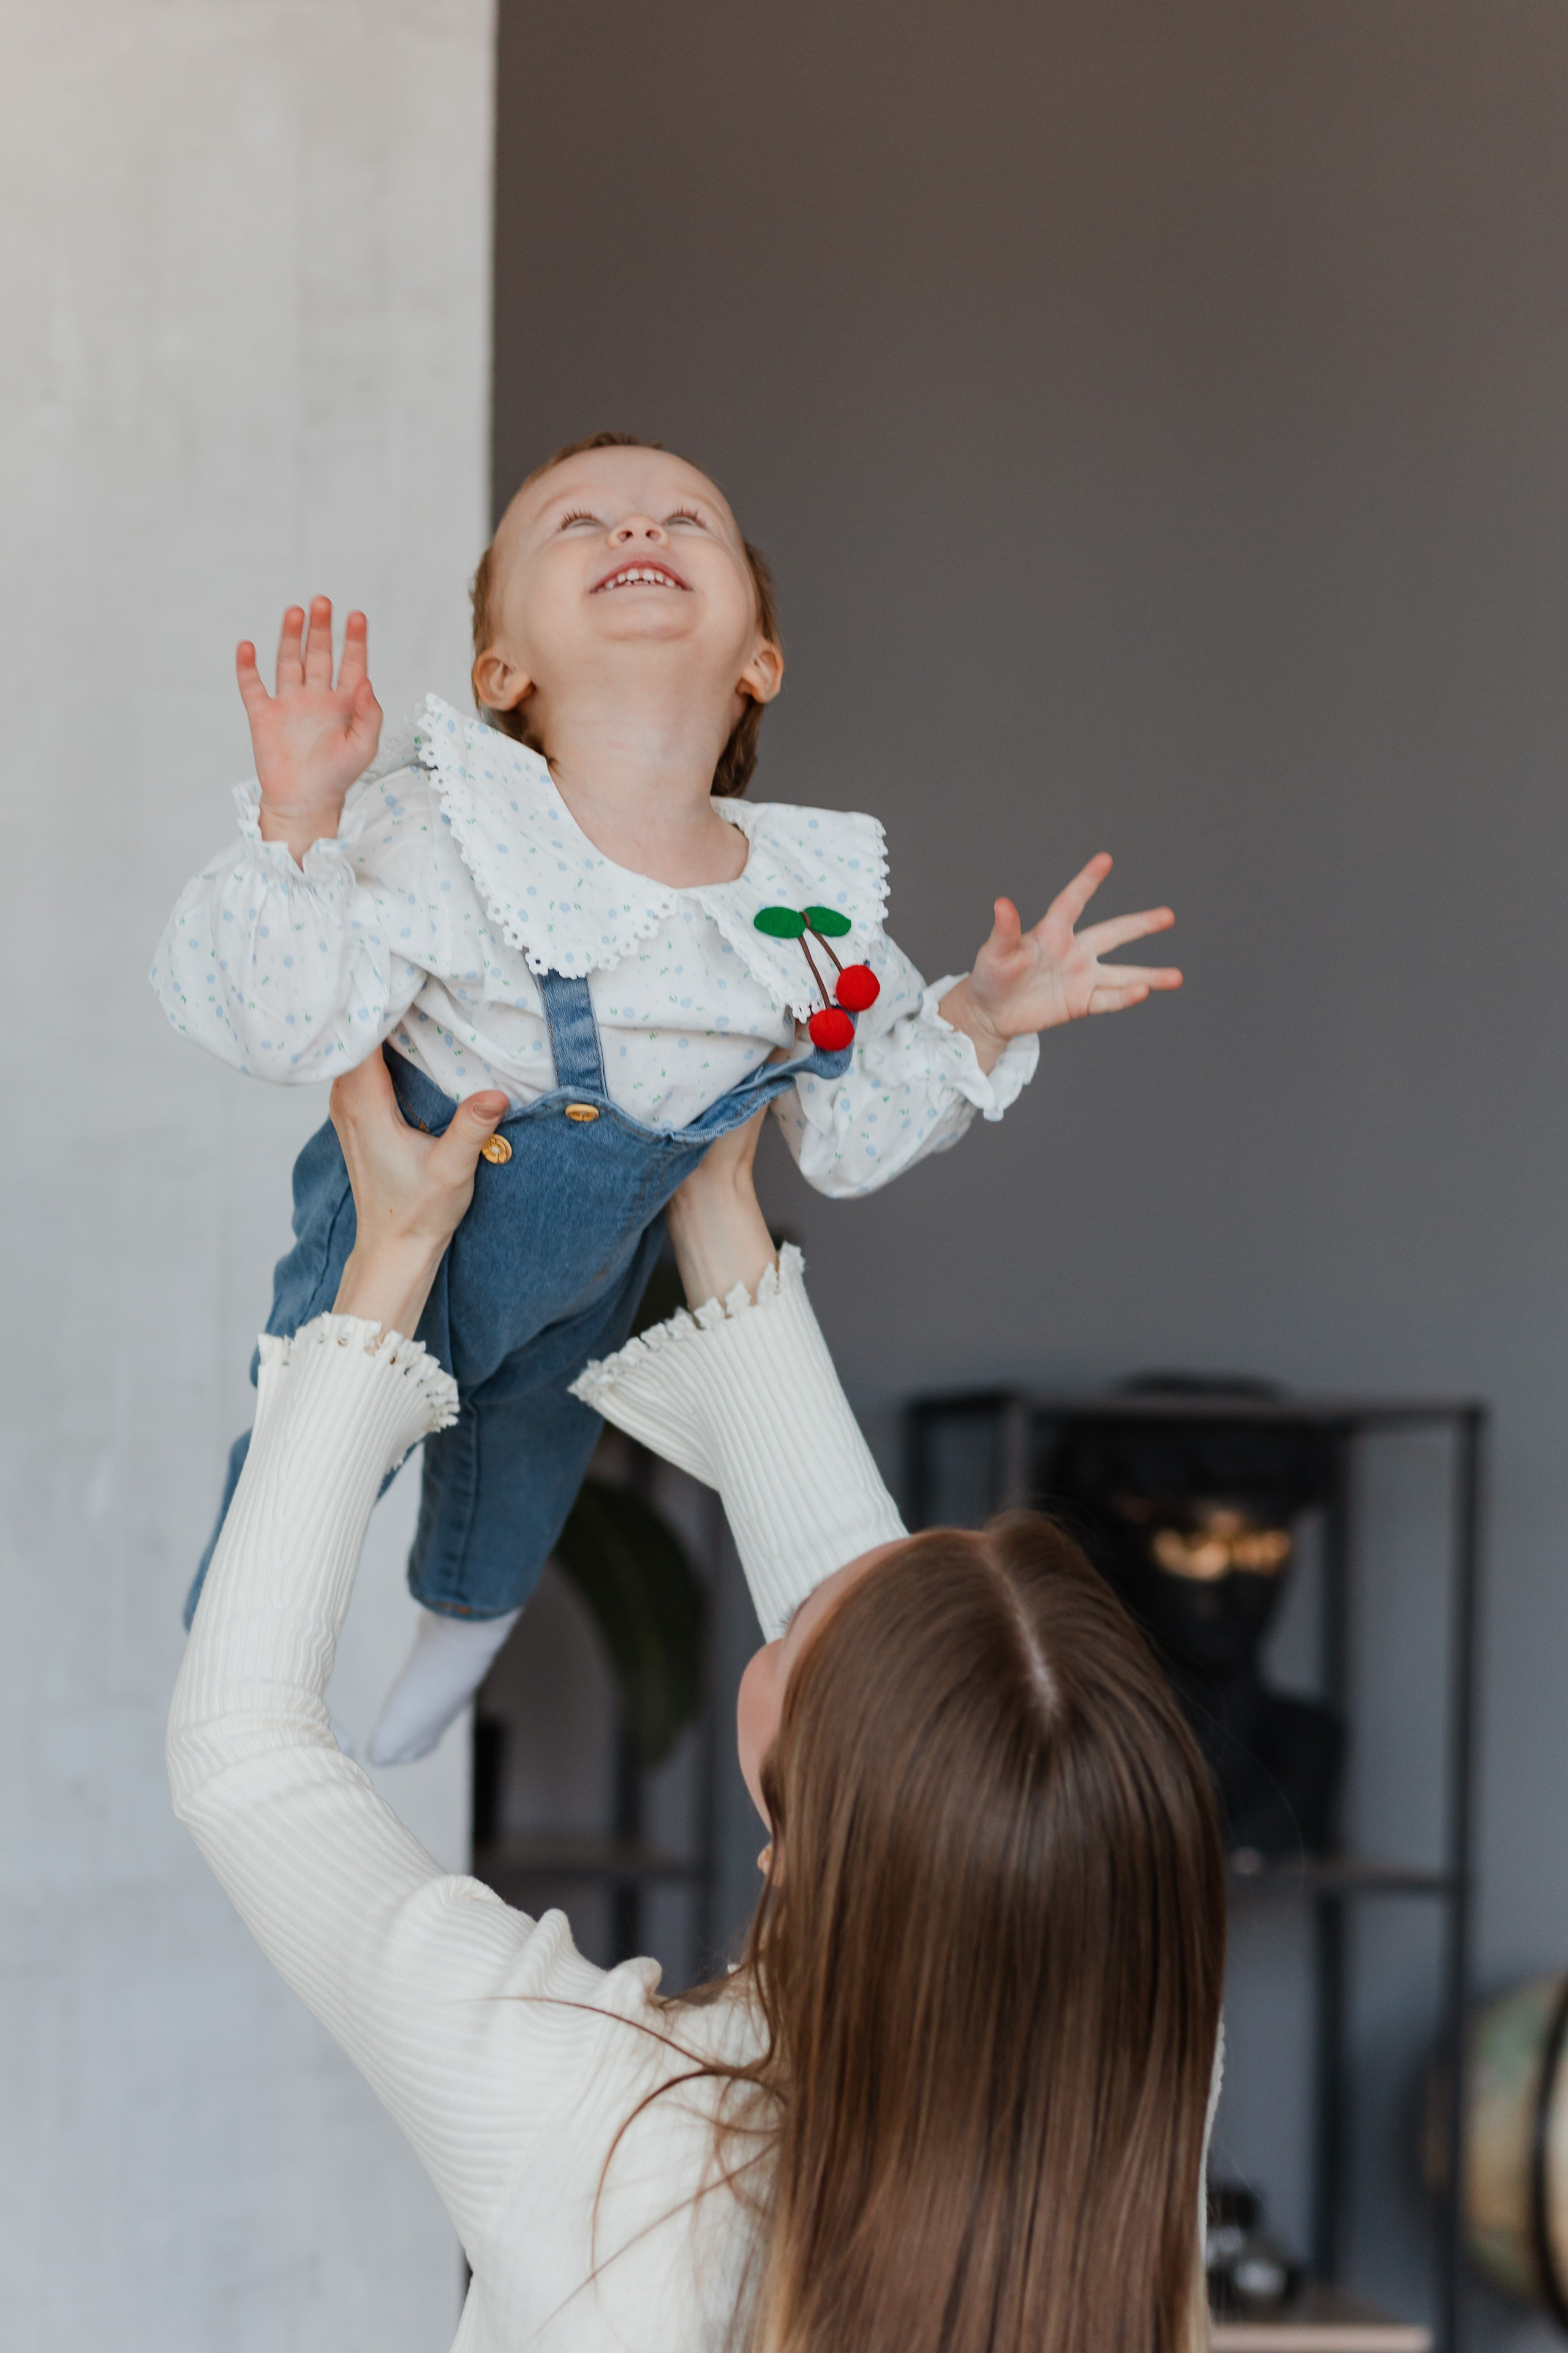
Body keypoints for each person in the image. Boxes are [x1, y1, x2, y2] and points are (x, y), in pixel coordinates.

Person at [151, 430, 1183, 1767]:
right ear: (501, 672)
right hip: (391, 1236)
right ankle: (220, 1660)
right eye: (576, 522)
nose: (636, 526)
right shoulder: (447, 827)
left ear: (758, 658)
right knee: (308, 1457)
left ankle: (459, 1634)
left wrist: (977, 1015)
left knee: (524, 1478)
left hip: (588, 1278)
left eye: (684, 517)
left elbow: (848, 1135)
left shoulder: (797, 908)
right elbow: (285, 1025)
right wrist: (299, 822)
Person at [168, 1051, 1226, 2353]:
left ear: (795, 1847)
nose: (836, 1573)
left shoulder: (603, 2128)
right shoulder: (1142, 2097)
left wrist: (384, 1261)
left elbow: (246, 1752)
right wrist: (711, 1186)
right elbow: (898, 1699)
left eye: (837, 1628)